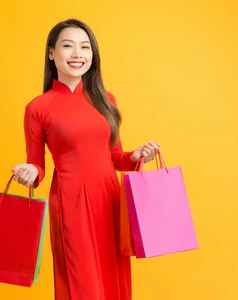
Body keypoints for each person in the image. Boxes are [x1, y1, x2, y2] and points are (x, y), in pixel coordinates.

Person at [10, 19, 160, 300]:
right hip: (71, 201)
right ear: (52, 53)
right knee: (82, 282)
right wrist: (29, 171)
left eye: (85, 47)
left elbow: (116, 157)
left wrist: (137, 156)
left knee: (113, 275)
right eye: (68, 46)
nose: (78, 54)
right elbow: (37, 165)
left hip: (110, 199)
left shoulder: (106, 99)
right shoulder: (38, 107)